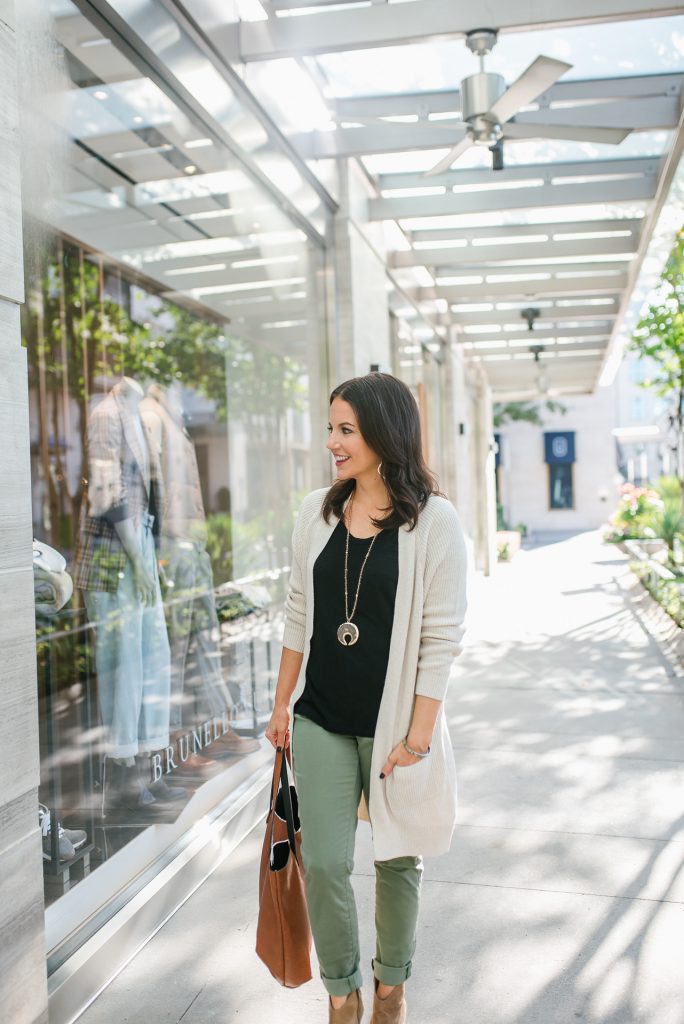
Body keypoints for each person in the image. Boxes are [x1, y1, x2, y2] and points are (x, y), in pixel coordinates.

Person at [265, 372, 468, 1024]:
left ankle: (392, 985)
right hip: (320, 715)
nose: (332, 442)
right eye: (331, 428)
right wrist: (279, 704)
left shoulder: (434, 522)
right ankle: (343, 988)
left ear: (384, 434)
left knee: (397, 857)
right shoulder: (315, 512)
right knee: (323, 862)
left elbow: (441, 639)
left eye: (345, 430)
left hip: (394, 726)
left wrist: (419, 737)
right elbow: (299, 612)